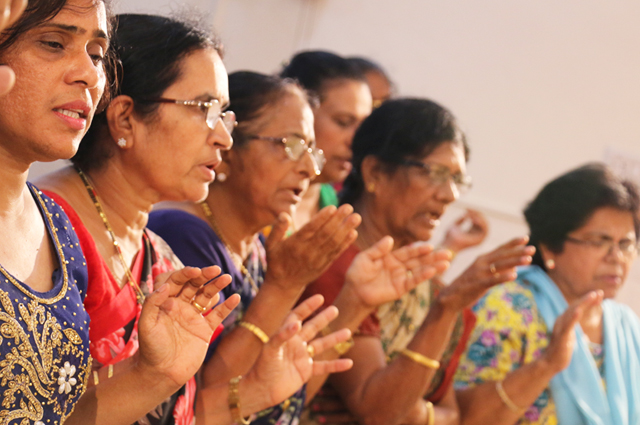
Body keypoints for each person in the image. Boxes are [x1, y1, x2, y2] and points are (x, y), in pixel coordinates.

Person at [34, 13, 353, 425]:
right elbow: (38, 414)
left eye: (225, 115)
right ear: (126, 118)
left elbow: (174, 413)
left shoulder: (159, 254)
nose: (223, 136)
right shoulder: (47, 231)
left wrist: (255, 392)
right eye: (204, 108)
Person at [149, 71, 453, 425]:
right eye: (291, 146)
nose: (309, 168)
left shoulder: (258, 250)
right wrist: (284, 286)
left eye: (312, 151)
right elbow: (202, 403)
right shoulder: (185, 235)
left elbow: (286, 400)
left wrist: (355, 303)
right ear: (228, 151)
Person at [0, 2, 234, 424]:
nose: (90, 76)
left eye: (96, 54)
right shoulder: (75, 221)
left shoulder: (55, 228)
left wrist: (153, 375)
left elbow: (56, 416)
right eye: (54, 43)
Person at [301, 98, 534, 425]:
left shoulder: (424, 283)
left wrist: (415, 413)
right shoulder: (335, 263)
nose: (450, 194)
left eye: (457, 179)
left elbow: (452, 414)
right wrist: (445, 310)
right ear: (375, 172)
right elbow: (378, 412)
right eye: (436, 173)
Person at [454, 163, 640, 425]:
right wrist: (547, 365)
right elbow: (466, 418)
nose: (616, 257)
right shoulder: (507, 308)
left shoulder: (627, 326)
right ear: (550, 248)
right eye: (599, 241)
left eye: (626, 244)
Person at [280, 50, 373, 228]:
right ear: (301, 112)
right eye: (343, 122)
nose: (356, 141)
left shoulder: (333, 206)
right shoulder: (260, 197)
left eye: (363, 127)